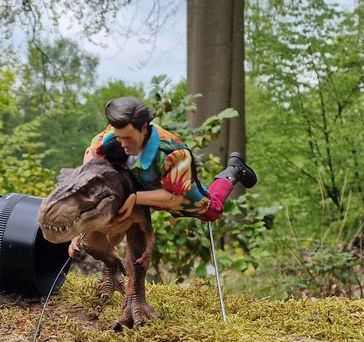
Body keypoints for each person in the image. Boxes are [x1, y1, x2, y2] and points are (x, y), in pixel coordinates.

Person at [70, 96, 257, 259]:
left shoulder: (173, 154)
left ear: (143, 127)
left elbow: (173, 197)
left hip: (173, 189)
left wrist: (136, 197)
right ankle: (110, 270)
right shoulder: (111, 136)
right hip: (137, 182)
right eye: (120, 138)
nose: (123, 144)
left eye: (129, 138)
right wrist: (78, 227)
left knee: (211, 211)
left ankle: (234, 170)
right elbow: (90, 161)